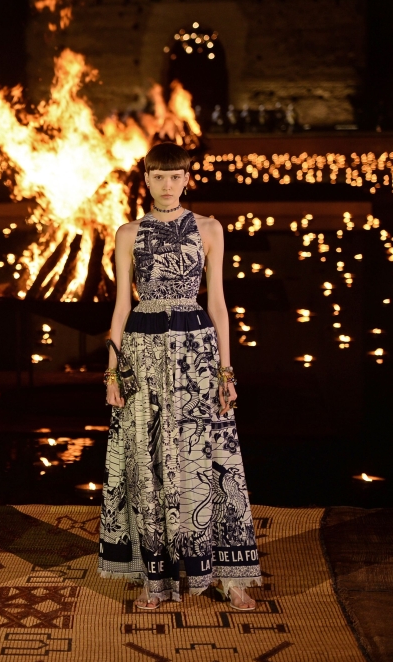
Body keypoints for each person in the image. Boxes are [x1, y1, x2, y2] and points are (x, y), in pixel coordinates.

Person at [99, 142, 260, 612]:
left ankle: (228, 577)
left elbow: (217, 303)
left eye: (176, 176)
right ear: (145, 179)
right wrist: (111, 372)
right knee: (147, 459)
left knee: (209, 457)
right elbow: (121, 305)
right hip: (143, 352)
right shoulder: (128, 232)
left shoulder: (210, 229)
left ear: (187, 178)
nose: (167, 185)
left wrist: (225, 370)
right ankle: (156, 578)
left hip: (196, 352)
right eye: (158, 176)